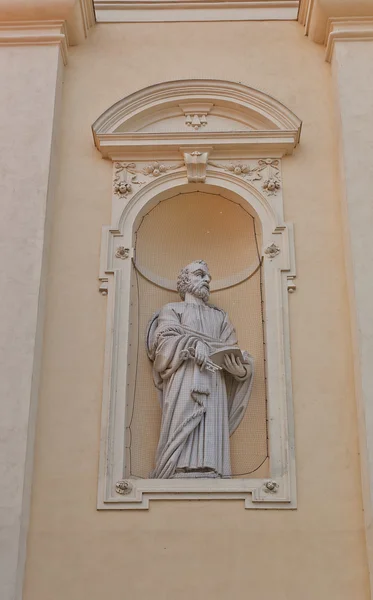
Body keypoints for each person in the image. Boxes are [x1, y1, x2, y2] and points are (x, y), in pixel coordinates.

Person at [146, 260, 254, 479]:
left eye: (208, 277)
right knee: (181, 423)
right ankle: (177, 467)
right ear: (185, 280)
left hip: (214, 379)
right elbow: (163, 344)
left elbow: (230, 349)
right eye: (199, 274)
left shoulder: (219, 316)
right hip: (184, 378)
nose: (206, 280)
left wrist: (240, 371)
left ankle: (211, 467)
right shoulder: (172, 310)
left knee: (211, 428)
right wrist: (192, 344)